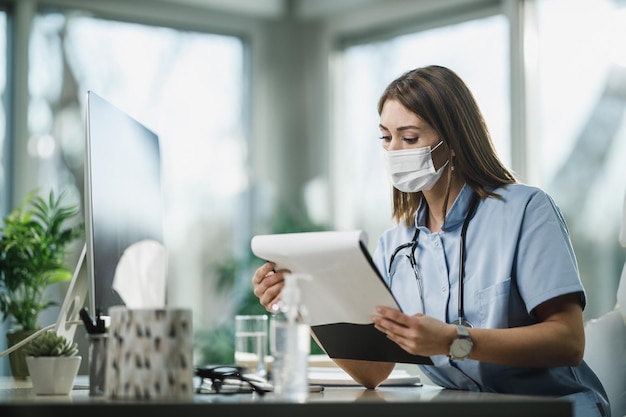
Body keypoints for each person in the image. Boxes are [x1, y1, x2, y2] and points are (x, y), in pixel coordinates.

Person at [252, 65, 610, 417]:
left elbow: (568, 342)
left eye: (409, 138)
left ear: (453, 141)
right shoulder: (393, 247)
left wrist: (452, 341)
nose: (394, 150)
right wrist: (306, 301)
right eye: (386, 137)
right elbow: (374, 372)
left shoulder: (526, 210)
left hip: (555, 409)